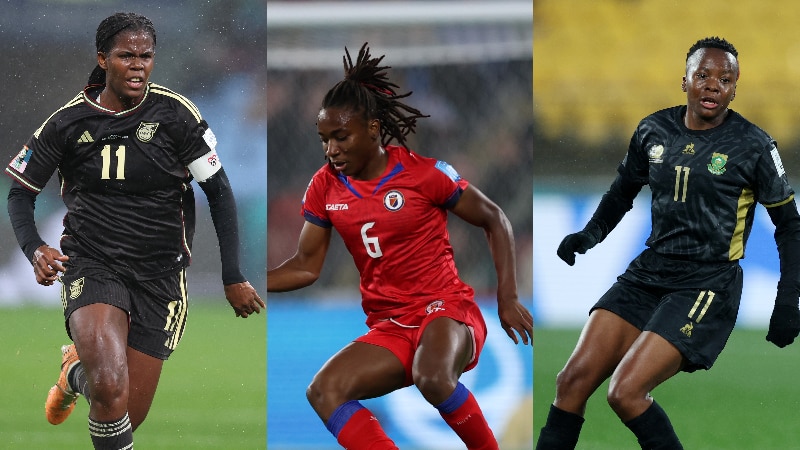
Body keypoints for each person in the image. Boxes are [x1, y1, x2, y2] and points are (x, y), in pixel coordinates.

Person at [5, 12, 264, 450]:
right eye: (127, 56)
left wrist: (233, 274)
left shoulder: (176, 114)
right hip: (92, 263)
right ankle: (90, 372)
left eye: (146, 56)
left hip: (160, 275)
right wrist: (34, 247)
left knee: (120, 412)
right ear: (103, 59)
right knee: (109, 384)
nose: (139, 65)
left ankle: (74, 372)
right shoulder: (67, 123)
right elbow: (19, 194)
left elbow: (218, 191)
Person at [535, 36, 800, 449]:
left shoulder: (754, 146)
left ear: (734, 88)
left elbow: (790, 226)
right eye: (704, 75)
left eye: (725, 79)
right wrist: (590, 234)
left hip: (706, 283)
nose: (713, 85)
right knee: (570, 381)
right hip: (649, 271)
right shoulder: (653, 129)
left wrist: (789, 299)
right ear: (685, 81)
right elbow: (623, 191)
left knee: (624, 392)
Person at [267, 43, 533, 450]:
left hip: (447, 310)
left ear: (373, 129)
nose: (331, 150)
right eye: (324, 139)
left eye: (341, 137)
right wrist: (251, 280)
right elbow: (306, 265)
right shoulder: (324, 185)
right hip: (391, 325)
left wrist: (508, 297)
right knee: (324, 391)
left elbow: (494, 218)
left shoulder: (423, 174)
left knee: (433, 376)